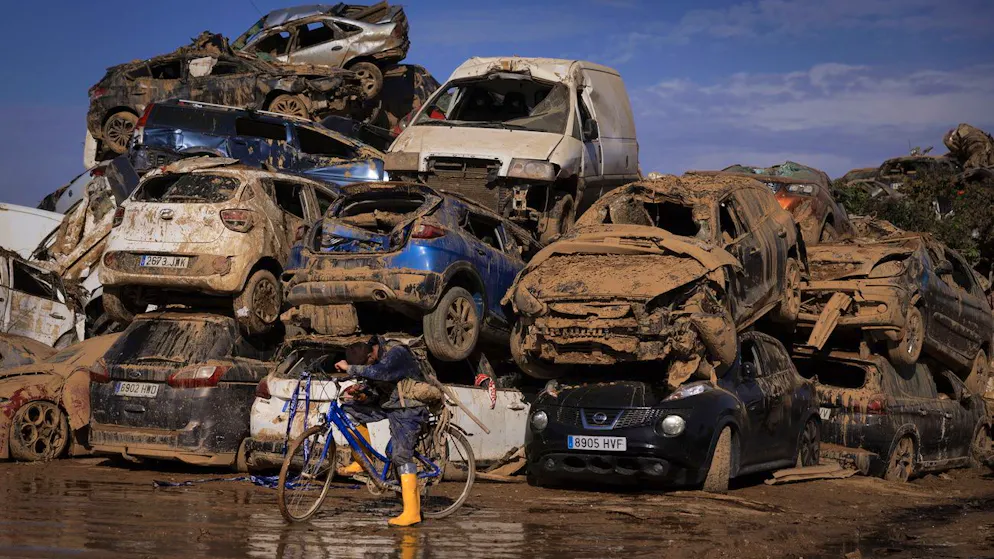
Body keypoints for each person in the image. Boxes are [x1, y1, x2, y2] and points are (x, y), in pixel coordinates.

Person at [334, 336, 430, 527]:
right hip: (390, 403)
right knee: (349, 410)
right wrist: (361, 390)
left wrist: (350, 369)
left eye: (365, 365)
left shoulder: (396, 353)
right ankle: (363, 460)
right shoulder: (375, 359)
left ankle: (412, 513)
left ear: (371, 354)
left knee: (401, 456)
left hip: (409, 408)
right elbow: (377, 383)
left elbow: (380, 372)